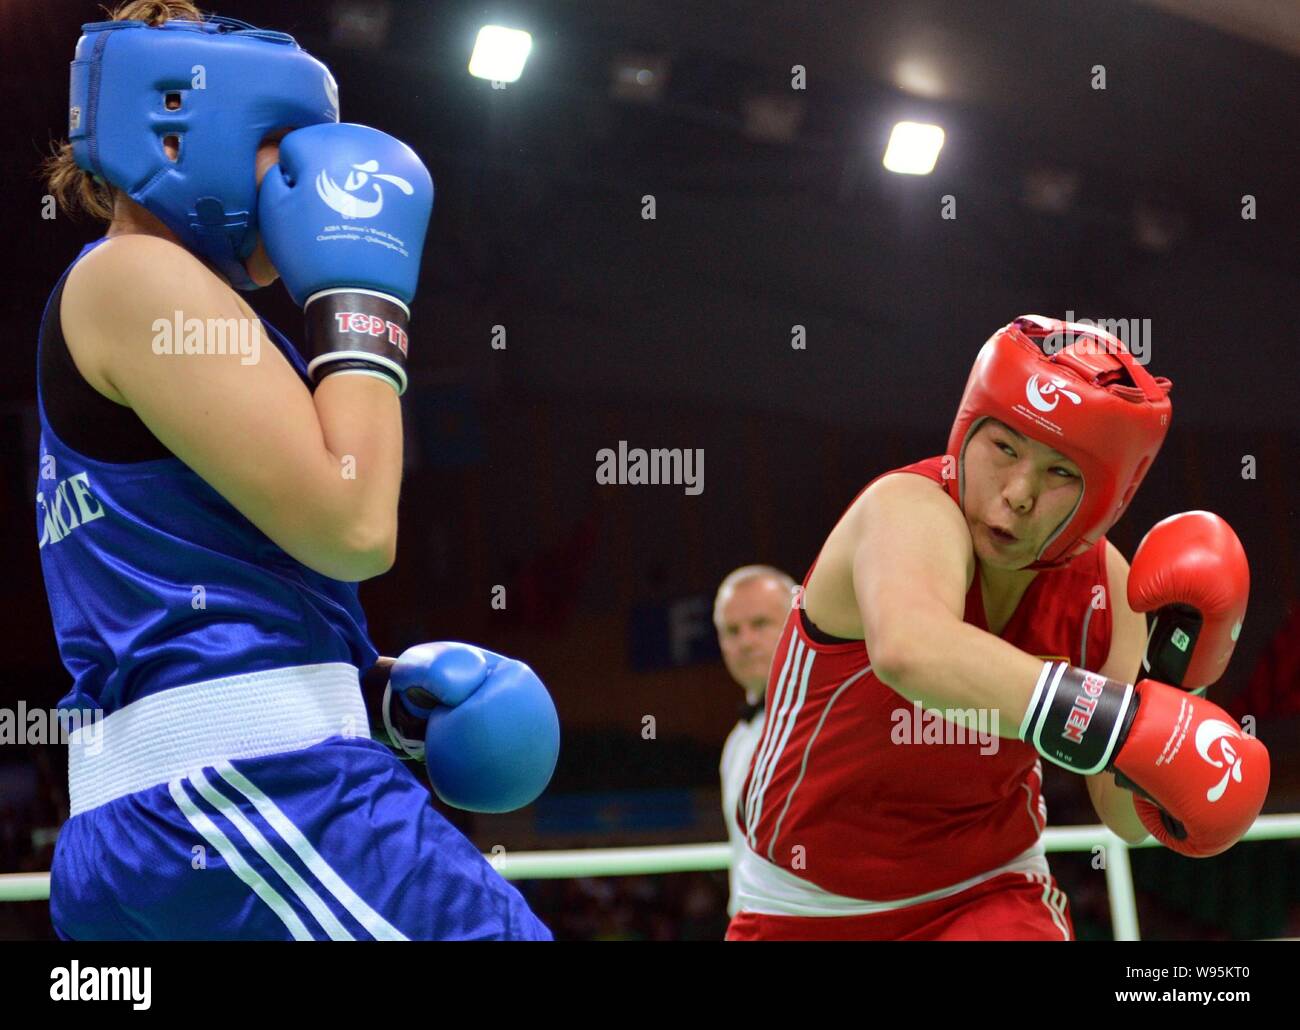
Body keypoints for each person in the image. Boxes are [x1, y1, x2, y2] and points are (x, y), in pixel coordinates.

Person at [37, 2, 555, 940]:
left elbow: (193, 588)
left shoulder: (155, 305)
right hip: (250, 802)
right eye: (285, 145)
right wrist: (363, 298)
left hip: (188, 813)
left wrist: (372, 694)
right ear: (184, 129)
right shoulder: (137, 278)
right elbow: (352, 528)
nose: (312, 181)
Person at [727, 315, 1267, 940]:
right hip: (807, 906)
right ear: (966, 431)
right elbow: (912, 651)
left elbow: (1126, 817)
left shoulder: (1107, 590)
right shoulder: (906, 509)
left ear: (1108, 498)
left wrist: (1174, 684)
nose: (1016, 493)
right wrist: (1117, 720)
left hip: (988, 890)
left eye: (1061, 472)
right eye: (1003, 448)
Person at [713, 565, 796, 918]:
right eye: (733, 631)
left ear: (796, 625)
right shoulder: (737, 742)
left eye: (760, 624)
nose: (745, 641)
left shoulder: (833, 720)